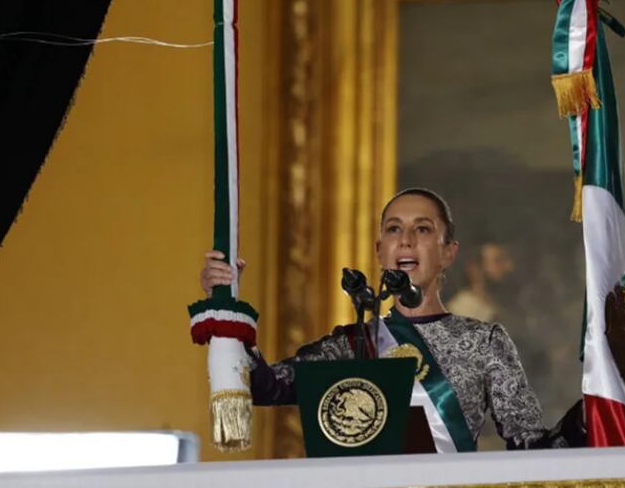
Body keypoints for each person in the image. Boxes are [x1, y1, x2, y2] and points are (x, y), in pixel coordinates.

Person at [200, 187, 585, 451]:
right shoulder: (351, 344)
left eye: (422, 229)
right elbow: (263, 386)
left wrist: (588, 416)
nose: (406, 240)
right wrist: (225, 303)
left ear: (448, 252)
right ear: (380, 250)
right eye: (394, 229)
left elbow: (531, 445)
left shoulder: (485, 342)